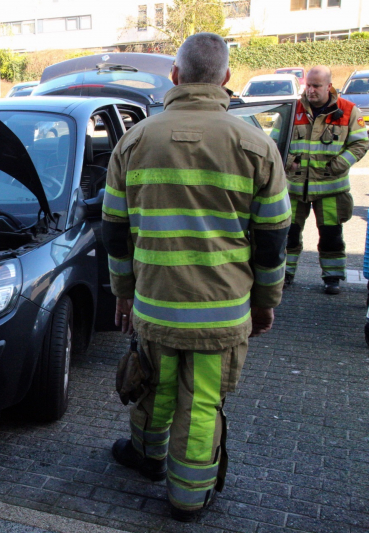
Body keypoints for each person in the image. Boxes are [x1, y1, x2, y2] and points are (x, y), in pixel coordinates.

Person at [101, 33, 290, 522]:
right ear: (225, 79)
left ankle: (146, 457)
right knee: (200, 403)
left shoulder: (134, 140)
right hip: (222, 313)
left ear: (176, 76)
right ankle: (187, 498)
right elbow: (272, 240)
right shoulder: (257, 145)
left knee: (154, 388)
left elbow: (115, 232)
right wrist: (266, 302)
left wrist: (123, 294)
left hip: (155, 305)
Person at [283, 66, 369, 294]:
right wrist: (289, 161)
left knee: (331, 235)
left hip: (331, 188)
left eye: (316, 86)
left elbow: (360, 143)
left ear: (329, 86)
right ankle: (285, 275)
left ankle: (332, 278)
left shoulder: (349, 111)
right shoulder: (292, 110)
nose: (310, 90)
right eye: (308, 85)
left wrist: (338, 164)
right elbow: (276, 142)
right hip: (295, 187)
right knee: (289, 233)